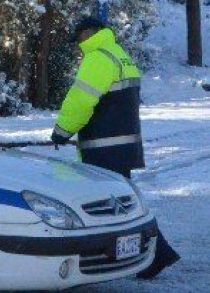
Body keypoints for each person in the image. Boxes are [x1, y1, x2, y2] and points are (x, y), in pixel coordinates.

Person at [51, 18, 180, 279]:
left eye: (77, 40)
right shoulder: (120, 55)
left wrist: (62, 131)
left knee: (109, 208)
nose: (77, 46)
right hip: (124, 145)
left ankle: (153, 256)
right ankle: (154, 255)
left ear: (86, 34)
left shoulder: (97, 58)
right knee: (124, 206)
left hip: (103, 148)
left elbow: (81, 101)